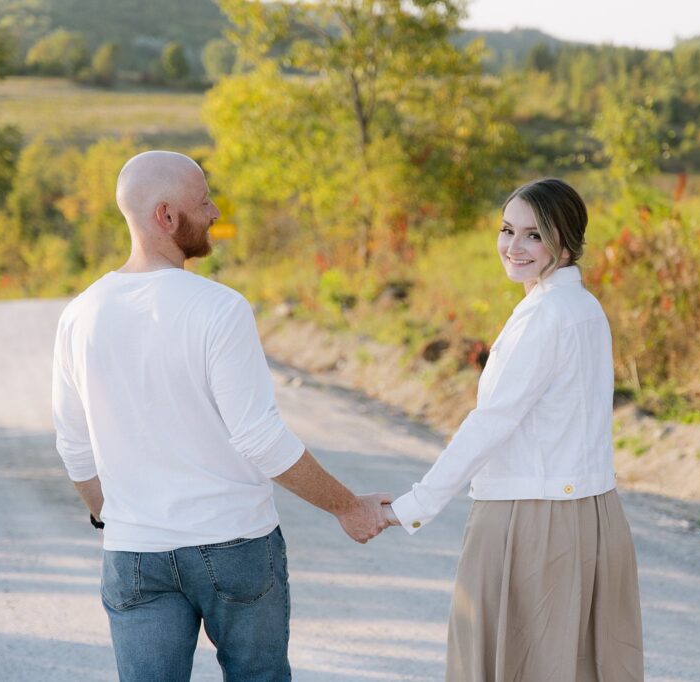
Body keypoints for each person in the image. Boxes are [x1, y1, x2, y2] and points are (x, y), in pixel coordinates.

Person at [52, 150, 392, 682]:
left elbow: (75, 450)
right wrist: (347, 507)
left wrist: (110, 517)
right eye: (204, 200)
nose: (213, 212)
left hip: (135, 553)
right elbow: (260, 439)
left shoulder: (80, 315)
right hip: (235, 544)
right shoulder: (219, 307)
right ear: (166, 216)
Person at [386, 178, 644, 681]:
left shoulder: (546, 315)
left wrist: (412, 505)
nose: (514, 246)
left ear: (566, 243)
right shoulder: (583, 308)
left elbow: (491, 424)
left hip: (533, 520)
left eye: (534, 235)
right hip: (591, 514)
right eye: (508, 230)